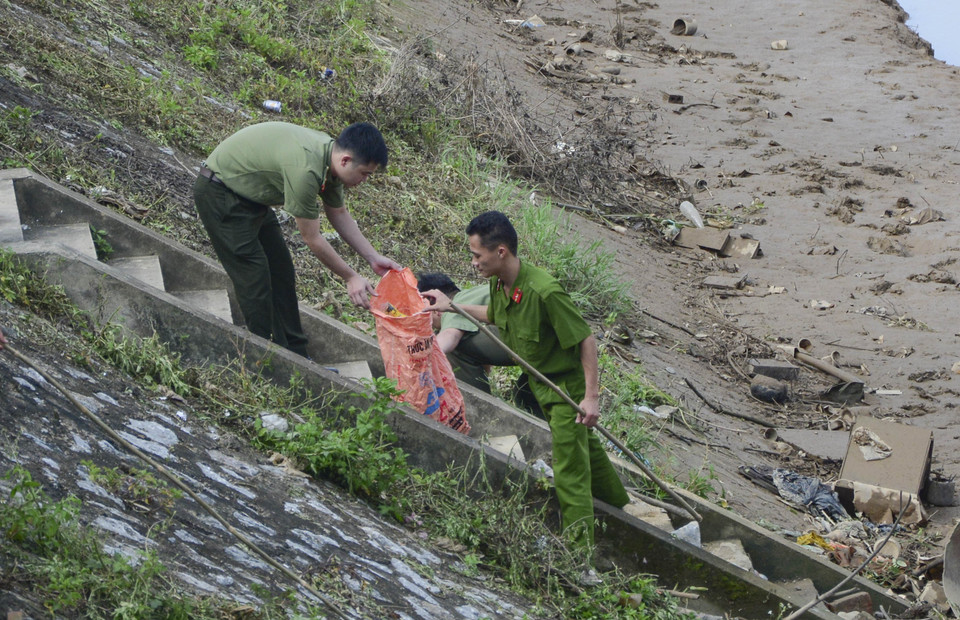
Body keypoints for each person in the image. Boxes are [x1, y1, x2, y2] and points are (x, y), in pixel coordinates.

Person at [423, 211, 630, 573]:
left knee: (570, 471)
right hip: (540, 385)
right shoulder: (501, 285)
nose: (473, 263)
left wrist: (591, 396)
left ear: (500, 251)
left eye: (477, 255)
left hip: (565, 389)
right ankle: (619, 504)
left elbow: (586, 339)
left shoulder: (544, 290)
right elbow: (495, 316)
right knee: (587, 447)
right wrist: (450, 305)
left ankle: (577, 556)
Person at [195, 121, 400, 357]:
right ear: (345, 160)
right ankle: (269, 358)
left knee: (281, 272)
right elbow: (311, 238)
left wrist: (372, 257)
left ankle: (297, 354)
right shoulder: (307, 170)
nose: (364, 180)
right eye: (364, 174)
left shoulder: (329, 161)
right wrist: (350, 276)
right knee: (255, 276)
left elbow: (339, 213)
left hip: (252, 200)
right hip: (220, 193)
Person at [415, 273, 514, 394]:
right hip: (537, 335)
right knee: (525, 397)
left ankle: (478, 407)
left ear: (431, 300)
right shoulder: (474, 296)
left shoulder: (454, 304)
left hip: (533, 336)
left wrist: (414, 360)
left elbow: (448, 338)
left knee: (455, 348)